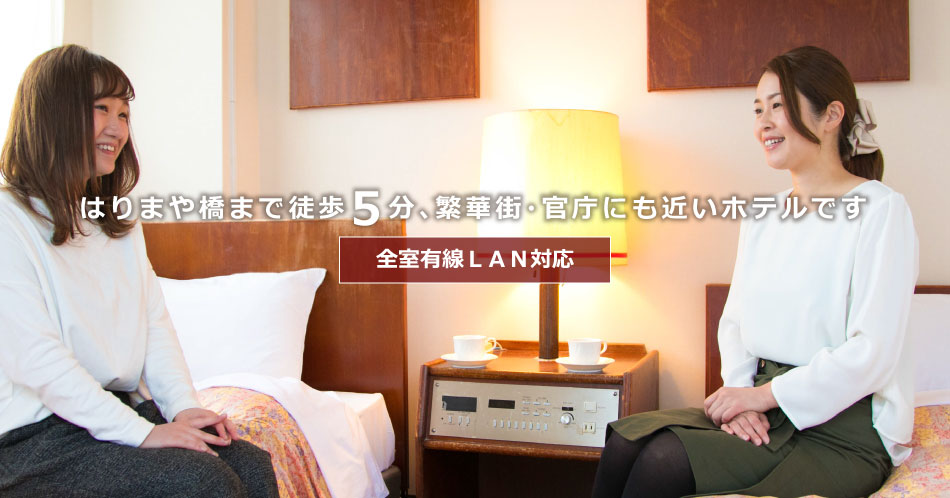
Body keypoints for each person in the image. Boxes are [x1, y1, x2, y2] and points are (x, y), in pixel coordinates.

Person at [592, 46, 918, 498]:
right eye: (758, 109)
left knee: (661, 462)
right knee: (625, 442)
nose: (763, 123)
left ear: (831, 116)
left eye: (778, 106)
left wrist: (764, 397)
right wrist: (740, 397)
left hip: (843, 429)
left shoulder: (881, 210)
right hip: (763, 404)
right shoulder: (763, 215)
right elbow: (735, 324)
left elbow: (873, 351)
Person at [0, 45, 279, 497]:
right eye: (102, 109)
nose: (118, 129)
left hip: (110, 413)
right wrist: (142, 432)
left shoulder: (116, 222)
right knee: (200, 481)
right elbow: (37, 359)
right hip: (35, 437)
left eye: (124, 114)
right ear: (54, 115)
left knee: (249, 463)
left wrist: (184, 408)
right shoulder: (8, 218)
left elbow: (154, 325)